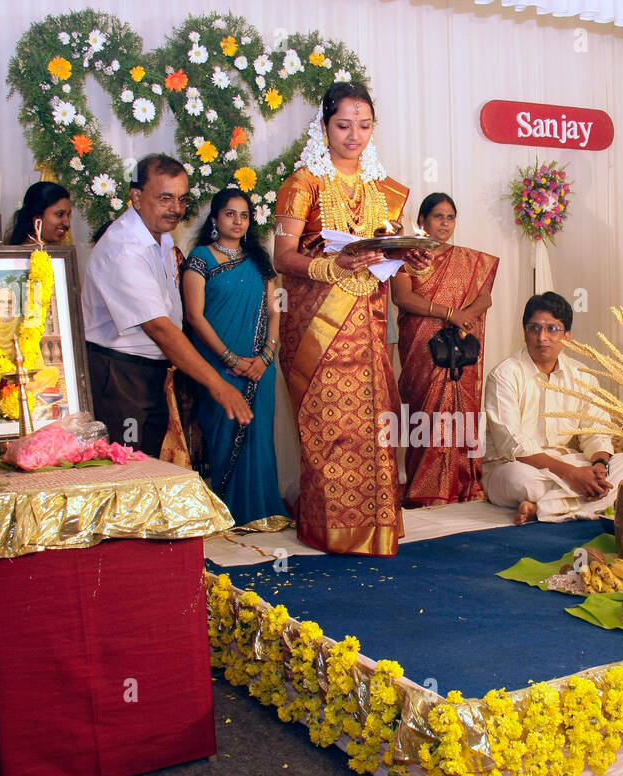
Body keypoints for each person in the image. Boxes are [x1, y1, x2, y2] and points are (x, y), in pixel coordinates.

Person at [272, 81, 430, 556]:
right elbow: (282, 257)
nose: (354, 135)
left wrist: (408, 259)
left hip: (368, 326)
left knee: (373, 429)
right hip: (318, 328)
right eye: (343, 125)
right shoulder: (302, 185)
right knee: (329, 432)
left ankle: (375, 531)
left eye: (364, 125)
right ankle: (327, 531)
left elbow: (384, 255)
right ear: (324, 127)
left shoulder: (383, 190)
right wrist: (330, 266)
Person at [82, 154, 250, 458]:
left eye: (182, 199)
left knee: (145, 466)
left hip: (150, 375)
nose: (176, 209)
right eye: (165, 199)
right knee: (126, 469)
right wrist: (217, 384)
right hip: (120, 377)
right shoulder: (126, 248)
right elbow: (160, 328)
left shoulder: (159, 239)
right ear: (136, 197)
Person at [482, 291, 623, 524]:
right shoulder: (504, 375)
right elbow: (512, 444)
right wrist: (570, 474)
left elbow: (596, 429)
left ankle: (541, 509)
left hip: (568, 463)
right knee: (520, 480)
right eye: (534, 328)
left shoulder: (581, 375)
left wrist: (599, 465)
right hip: (517, 467)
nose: (542, 337)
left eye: (552, 329)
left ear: (567, 335)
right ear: (524, 332)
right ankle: (585, 501)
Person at [181, 187, 283, 524]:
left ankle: (263, 513)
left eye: (244, 215)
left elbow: (275, 310)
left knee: (259, 436)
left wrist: (267, 355)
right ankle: (229, 514)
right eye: (229, 214)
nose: (237, 221)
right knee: (223, 432)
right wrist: (229, 359)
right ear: (214, 219)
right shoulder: (200, 259)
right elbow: (194, 317)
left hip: (259, 367)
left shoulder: (259, 261)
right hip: (217, 367)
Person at [391, 192, 499, 507]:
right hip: (422, 348)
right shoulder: (406, 256)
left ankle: (460, 484)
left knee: (460, 410)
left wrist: (467, 314)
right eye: (438, 216)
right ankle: (425, 491)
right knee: (427, 412)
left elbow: (486, 296)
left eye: (450, 217)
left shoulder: (466, 258)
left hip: (458, 345)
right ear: (422, 221)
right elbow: (403, 298)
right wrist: (450, 314)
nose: (445, 223)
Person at [7, 181, 72, 245]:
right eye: (59, 214)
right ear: (37, 217)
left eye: (68, 215)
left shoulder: (61, 254)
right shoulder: (22, 255)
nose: (67, 224)